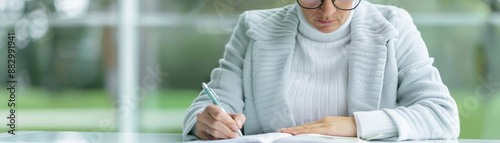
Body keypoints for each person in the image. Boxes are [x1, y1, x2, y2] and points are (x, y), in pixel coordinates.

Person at [183, 0, 460, 141]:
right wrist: (206, 122)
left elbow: (441, 115)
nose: (327, 11)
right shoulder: (253, 27)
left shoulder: (393, 25)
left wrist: (355, 126)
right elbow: (211, 103)